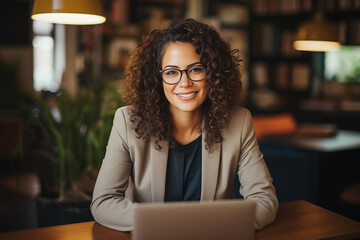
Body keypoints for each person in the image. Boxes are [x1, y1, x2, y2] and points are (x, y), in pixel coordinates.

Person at [90, 18, 278, 232]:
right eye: (171, 72)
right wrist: (167, 225)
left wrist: (212, 227)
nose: (184, 82)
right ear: (157, 79)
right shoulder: (128, 122)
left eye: (196, 69)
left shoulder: (239, 122)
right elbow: (103, 202)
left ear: (213, 73)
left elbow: (265, 200)